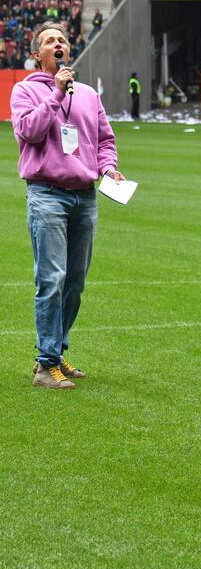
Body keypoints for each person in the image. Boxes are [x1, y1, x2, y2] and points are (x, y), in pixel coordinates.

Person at [10, 21, 127, 390]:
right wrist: (56, 94)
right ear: (37, 53)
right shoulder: (25, 91)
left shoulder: (90, 94)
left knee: (74, 283)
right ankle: (46, 365)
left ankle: (55, 355)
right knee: (52, 279)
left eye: (61, 39)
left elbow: (104, 139)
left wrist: (108, 167)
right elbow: (29, 130)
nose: (58, 43)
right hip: (46, 194)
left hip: (85, 195)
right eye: (49, 41)